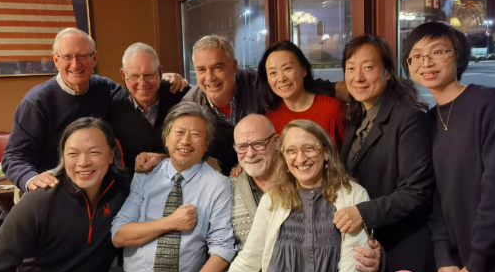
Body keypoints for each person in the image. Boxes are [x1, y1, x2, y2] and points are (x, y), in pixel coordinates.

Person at [403, 21, 495, 272]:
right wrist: (443, 259)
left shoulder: (490, 102)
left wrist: (476, 263)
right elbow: (434, 197)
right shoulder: (428, 121)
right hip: (459, 267)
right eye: (417, 56)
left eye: (438, 52)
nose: (426, 62)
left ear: (458, 55)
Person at [218, 114, 382, 272]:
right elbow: (247, 261)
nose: (301, 158)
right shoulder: (272, 200)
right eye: (291, 151)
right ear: (284, 157)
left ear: (326, 152)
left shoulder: (354, 196)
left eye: (309, 148)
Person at [2, 28, 186, 192]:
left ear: (94, 59)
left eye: (83, 56)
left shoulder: (104, 88)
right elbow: (13, 157)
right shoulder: (37, 102)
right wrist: (31, 179)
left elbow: (136, 88)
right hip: (49, 186)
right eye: (67, 57)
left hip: (93, 184)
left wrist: (162, 79)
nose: (75, 64)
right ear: (56, 60)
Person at [0, 117, 131, 272]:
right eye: (73, 154)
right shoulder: (39, 202)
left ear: (111, 154)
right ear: (63, 157)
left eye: (94, 152)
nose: (83, 162)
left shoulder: (123, 190)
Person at [334, 34, 434, 272]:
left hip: (404, 249)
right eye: (351, 68)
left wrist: (362, 213)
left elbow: (416, 193)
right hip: (372, 250)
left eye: (368, 67)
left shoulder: (409, 117)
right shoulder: (358, 116)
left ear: (388, 72)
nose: (358, 77)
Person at [111, 102, 236, 272]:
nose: (185, 141)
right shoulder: (146, 175)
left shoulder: (219, 185)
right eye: (179, 132)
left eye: (196, 135)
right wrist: (170, 222)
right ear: (167, 139)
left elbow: (223, 249)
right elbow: (119, 235)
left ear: (206, 146)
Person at [177, 35, 344, 176]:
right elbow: (180, 147)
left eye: (218, 67)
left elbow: (296, 85)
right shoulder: (191, 107)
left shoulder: (258, 84)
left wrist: (345, 87)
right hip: (230, 174)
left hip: (273, 169)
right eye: (201, 70)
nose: (210, 77)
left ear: (234, 66)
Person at [109, 42, 189, 168]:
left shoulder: (180, 94)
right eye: (134, 76)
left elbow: (200, 148)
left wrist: (163, 159)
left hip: (181, 173)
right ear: (123, 75)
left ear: (160, 72)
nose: (142, 83)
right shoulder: (112, 106)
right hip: (133, 178)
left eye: (148, 75)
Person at [257, 41, 346, 149]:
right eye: (273, 73)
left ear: (304, 70)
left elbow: (353, 155)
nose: (281, 79)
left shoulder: (333, 109)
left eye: (287, 68)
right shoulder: (270, 119)